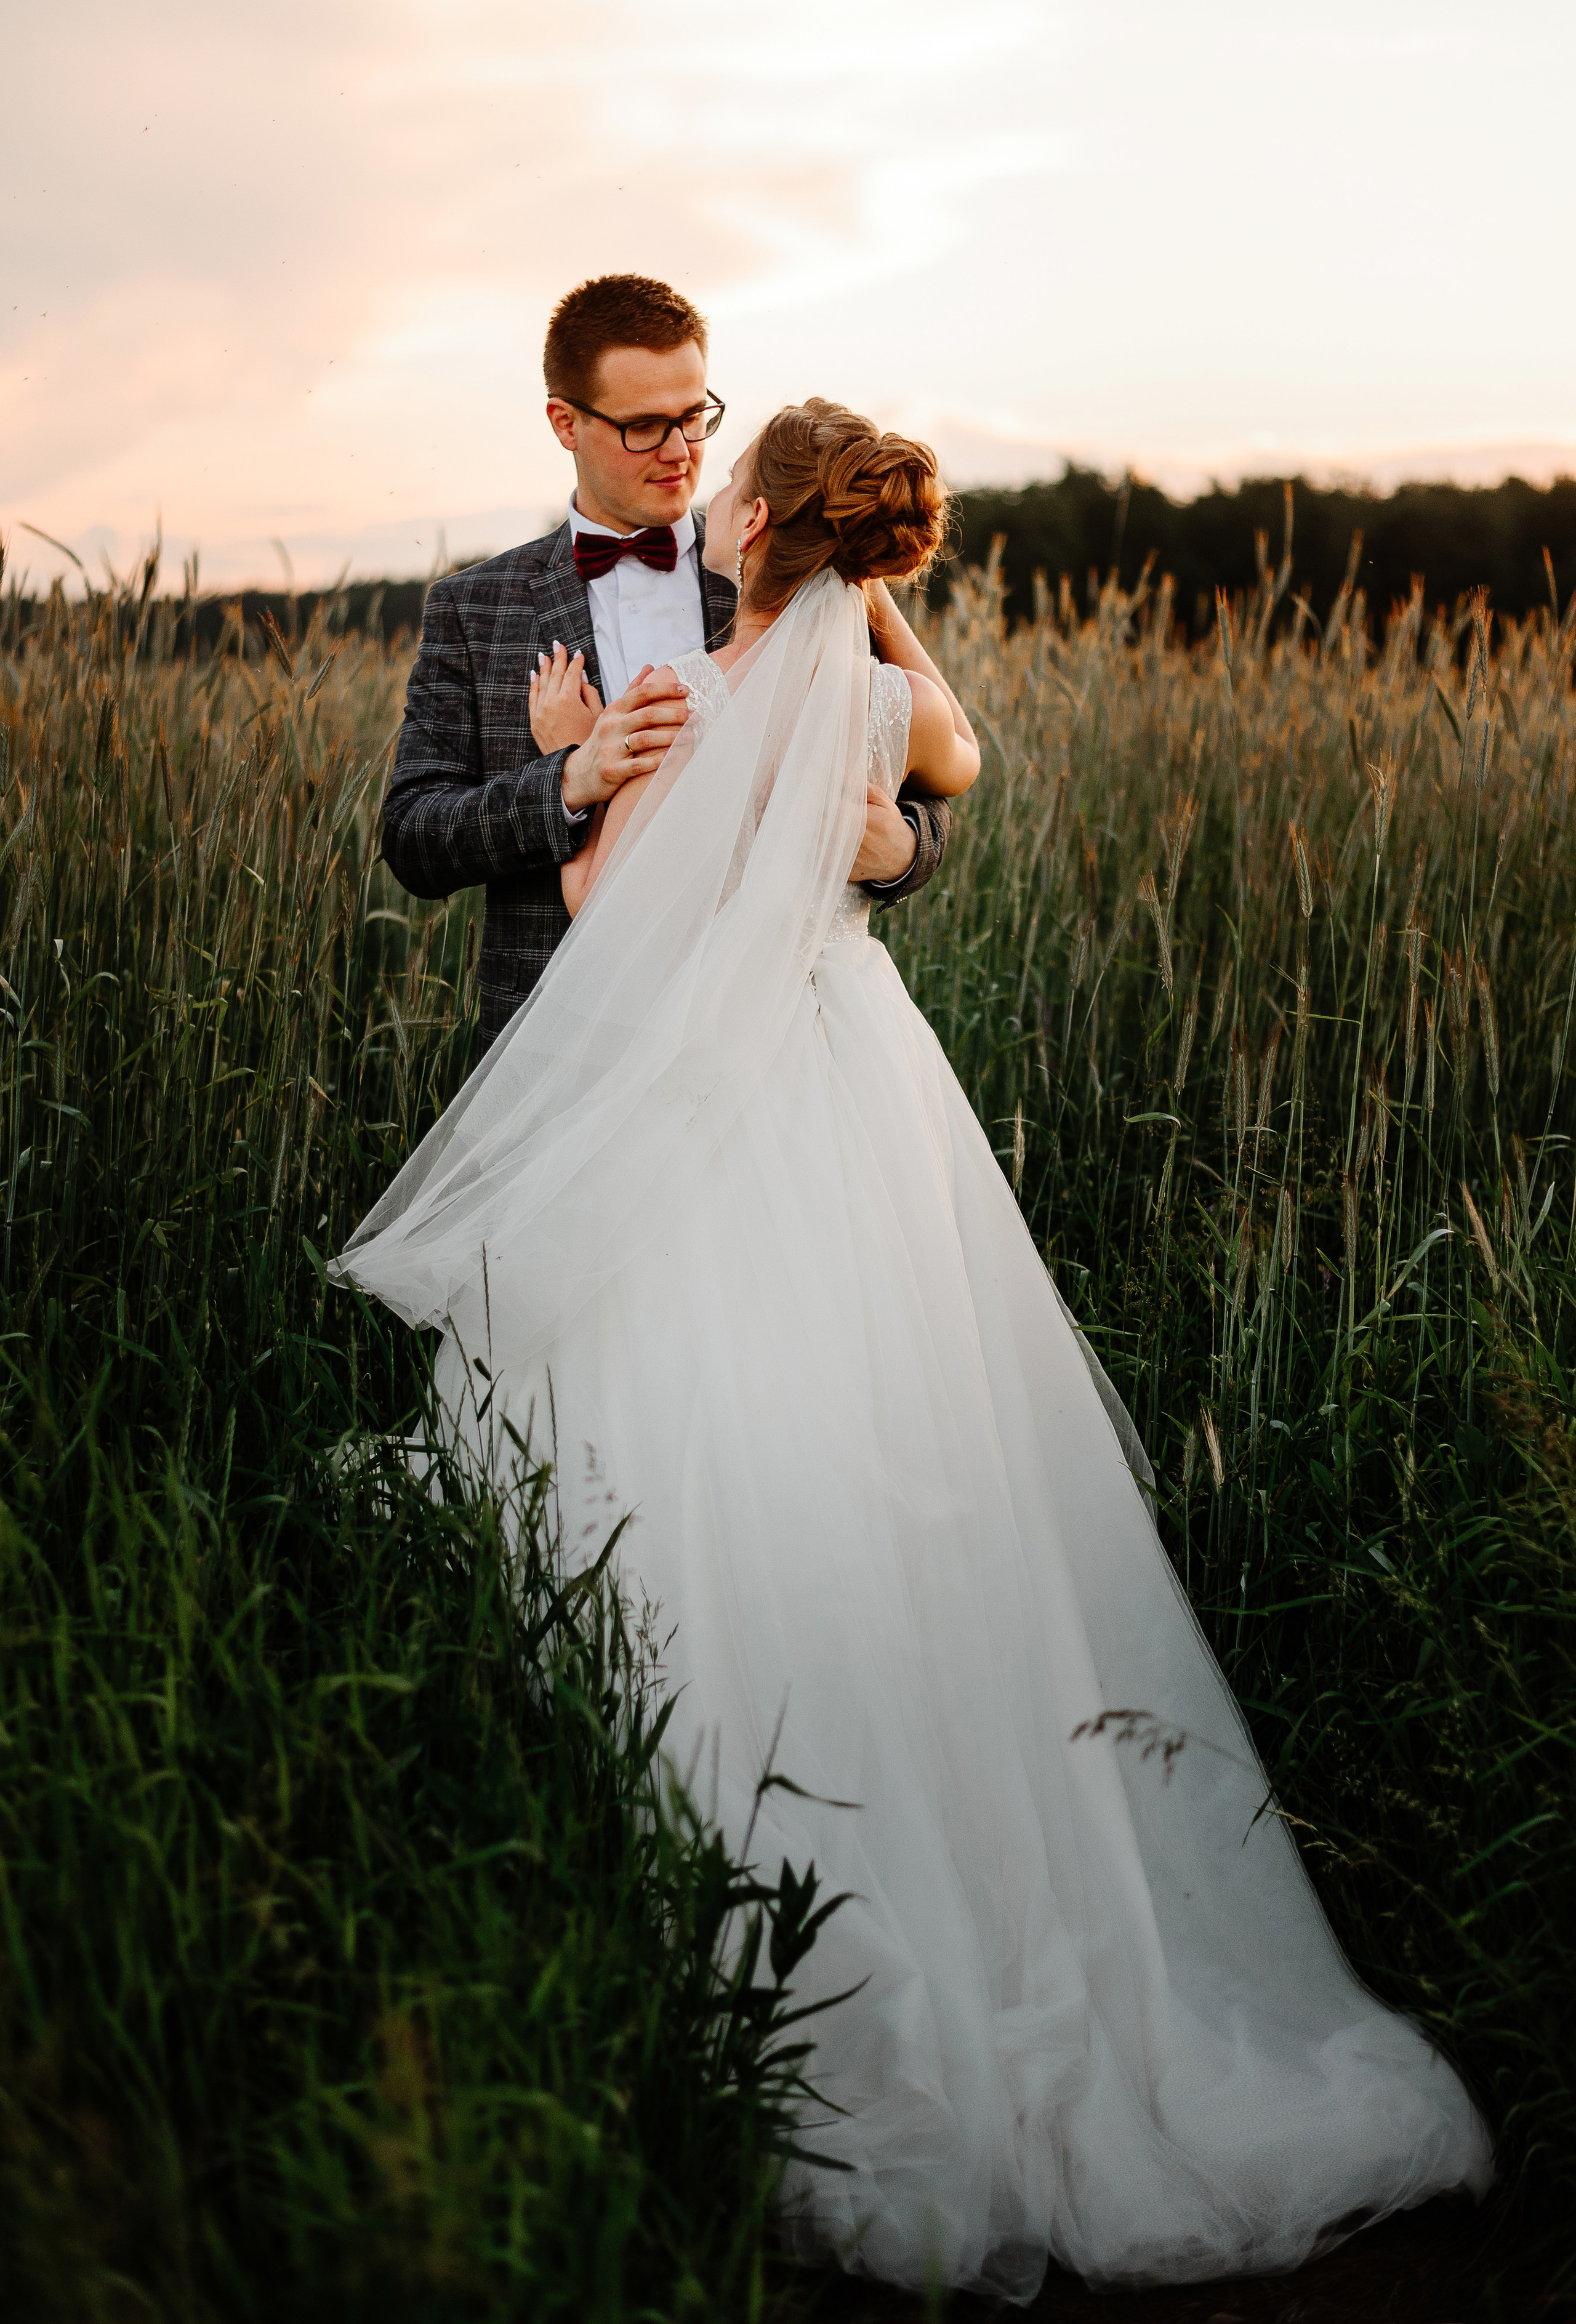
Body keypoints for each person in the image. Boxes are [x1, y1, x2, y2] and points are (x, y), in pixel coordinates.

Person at [332, 401, 1491, 2303]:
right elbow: (959, 748)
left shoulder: (683, 701)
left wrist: (565, 760)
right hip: (861, 1101)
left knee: (695, 1465)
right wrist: (867, 623)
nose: (695, 494)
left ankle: (732, 1927)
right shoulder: (882, 714)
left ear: (761, 510)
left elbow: (609, 911)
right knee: (912, 1464)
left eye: (722, 480)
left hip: (706, 1122)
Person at [379, 275, 951, 1055]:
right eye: (646, 427)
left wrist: (905, 856)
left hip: (764, 1049)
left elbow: (911, 772)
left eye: (694, 418)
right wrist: (574, 778)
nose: (681, 453)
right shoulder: (475, 609)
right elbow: (415, 837)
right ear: (565, 423)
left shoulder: (797, 581)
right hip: (550, 1057)